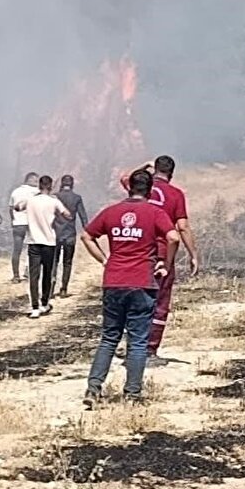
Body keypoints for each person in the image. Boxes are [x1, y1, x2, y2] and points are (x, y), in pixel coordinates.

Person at [81, 168, 178, 406]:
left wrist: (104, 259)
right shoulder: (154, 212)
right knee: (137, 341)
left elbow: (86, 236)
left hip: (113, 282)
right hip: (142, 283)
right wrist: (165, 264)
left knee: (109, 338)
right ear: (150, 190)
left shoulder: (111, 212)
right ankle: (132, 395)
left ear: (129, 187)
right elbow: (174, 237)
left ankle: (93, 390)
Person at [119, 155, 200, 364]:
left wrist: (144, 167)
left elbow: (125, 177)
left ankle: (133, 347)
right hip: (161, 253)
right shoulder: (175, 194)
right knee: (160, 301)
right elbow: (182, 227)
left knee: (135, 300)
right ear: (171, 173)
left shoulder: (140, 185)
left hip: (135, 250)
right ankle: (149, 350)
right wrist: (193, 255)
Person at [23, 175, 71, 318]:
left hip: (33, 242)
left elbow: (18, 207)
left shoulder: (31, 200)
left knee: (33, 275)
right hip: (49, 242)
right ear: (50, 186)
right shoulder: (53, 201)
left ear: (39, 185)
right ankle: (45, 303)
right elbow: (67, 214)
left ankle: (34, 307)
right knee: (47, 273)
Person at [54, 174, 89, 298]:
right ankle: (63, 289)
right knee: (67, 263)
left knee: (54, 261)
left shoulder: (55, 197)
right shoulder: (76, 198)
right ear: (72, 184)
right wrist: (88, 232)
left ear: (62, 184)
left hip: (56, 233)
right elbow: (83, 216)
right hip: (70, 234)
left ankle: (51, 287)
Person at [8, 172, 39, 283]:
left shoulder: (15, 191)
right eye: (35, 180)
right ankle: (28, 271)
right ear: (29, 180)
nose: (37, 183)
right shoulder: (37, 192)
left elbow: (11, 208)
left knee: (17, 250)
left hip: (18, 223)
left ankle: (16, 275)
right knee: (32, 248)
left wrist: (13, 220)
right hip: (32, 223)